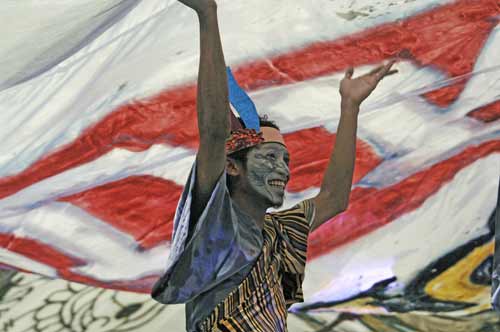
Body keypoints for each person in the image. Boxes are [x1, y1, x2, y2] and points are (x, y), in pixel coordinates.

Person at [151, 0, 396, 331]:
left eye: (285, 159)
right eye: (269, 157)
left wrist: (349, 106)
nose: (283, 169)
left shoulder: (278, 233)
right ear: (233, 167)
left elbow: (335, 198)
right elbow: (213, 133)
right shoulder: (216, 221)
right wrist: (208, 16)